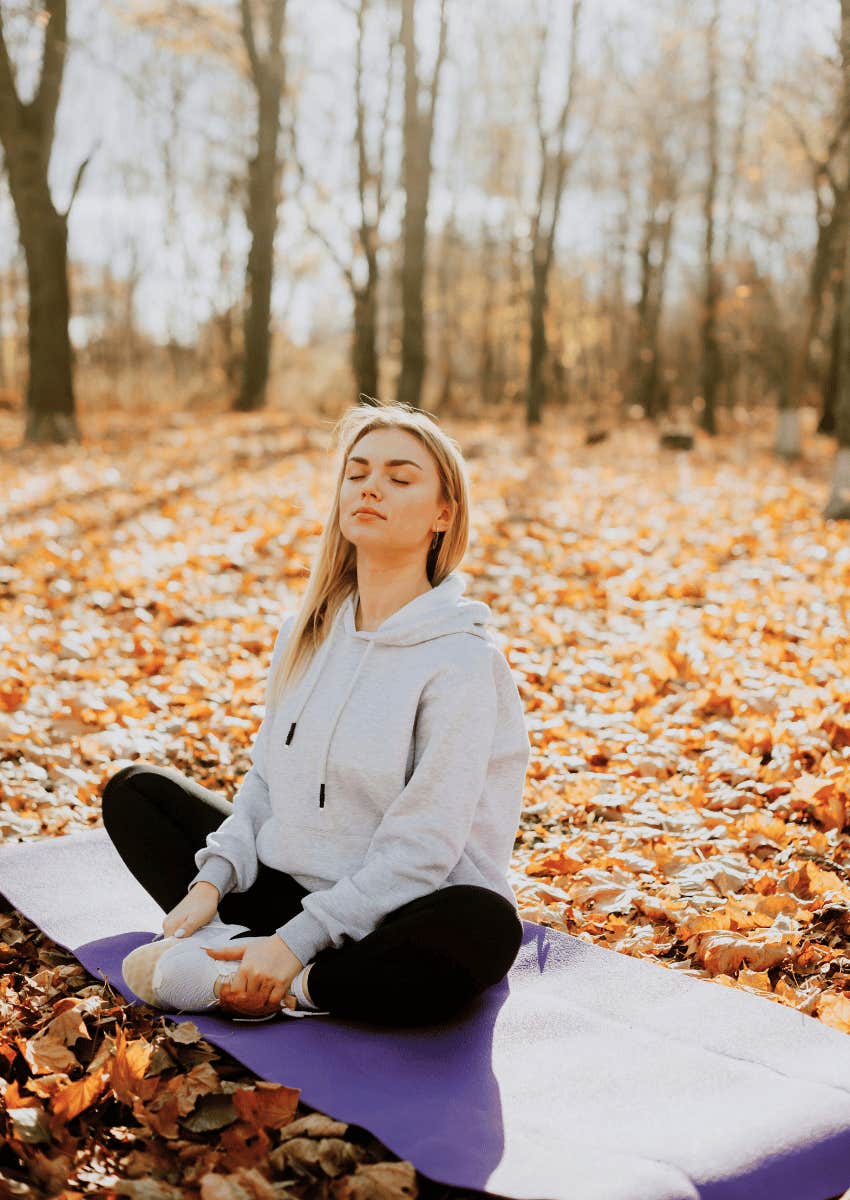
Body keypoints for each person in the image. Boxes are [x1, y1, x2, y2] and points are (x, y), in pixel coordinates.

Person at [102, 400, 531, 1027]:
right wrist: (210, 883)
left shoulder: (462, 663)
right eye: (356, 474)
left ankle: (286, 981)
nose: (371, 488)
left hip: (392, 912)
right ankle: (241, 945)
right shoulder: (304, 632)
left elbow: (422, 849)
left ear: (444, 513)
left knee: (486, 925)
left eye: (399, 477)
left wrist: (294, 945)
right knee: (136, 792)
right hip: (288, 889)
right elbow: (266, 782)